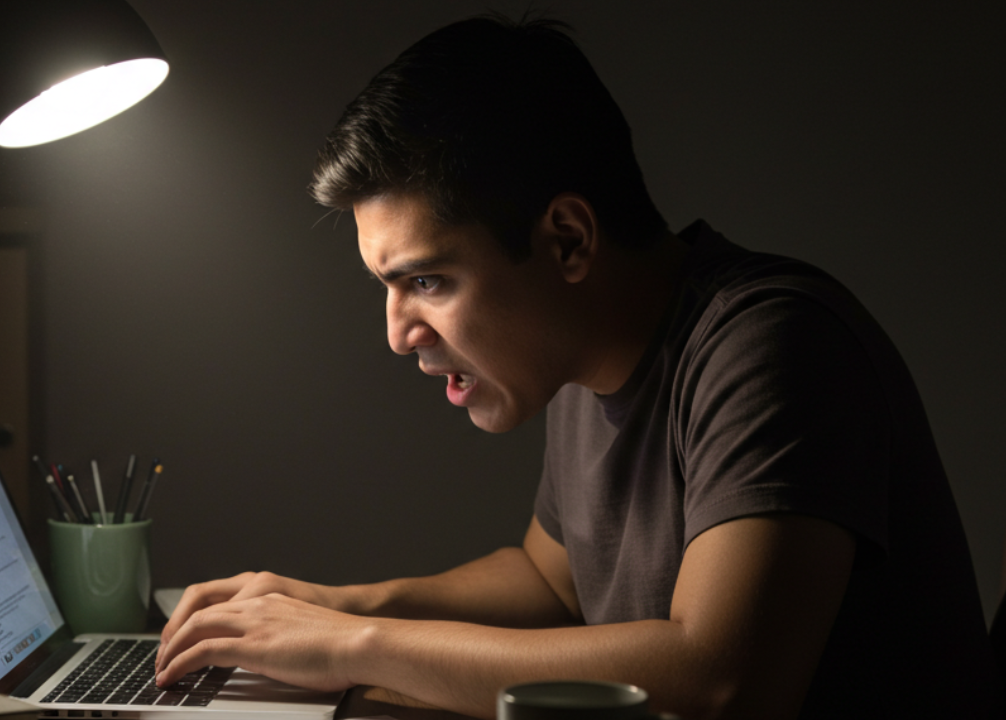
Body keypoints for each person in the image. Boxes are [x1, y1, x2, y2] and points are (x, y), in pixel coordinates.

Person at [152, 15, 1002, 719]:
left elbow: (721, 681)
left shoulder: (772, 344)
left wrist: (352, 646)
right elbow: (549, 583)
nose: (398, 333)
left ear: (567, 240)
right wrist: (334, 603)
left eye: (427, 281)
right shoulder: (575, 355)